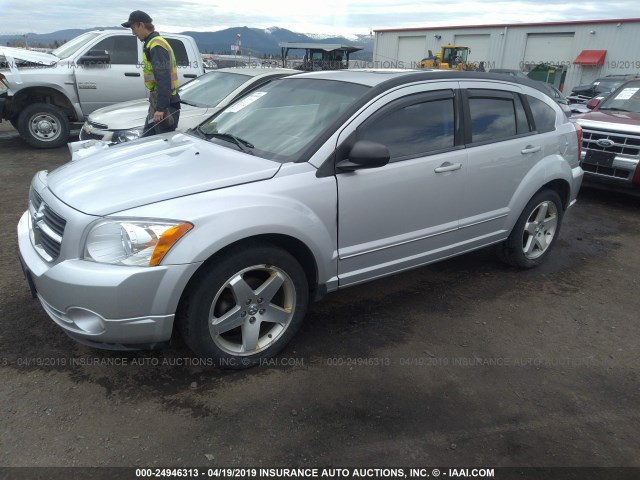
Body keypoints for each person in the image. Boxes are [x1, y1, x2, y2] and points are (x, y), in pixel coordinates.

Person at [122, 10, 180, 136]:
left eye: (133, 28)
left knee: (160, 144)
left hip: (165, 105)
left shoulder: (156, 45)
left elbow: (163, 78)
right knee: (147, 139)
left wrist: (160, 108)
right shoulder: (151, 44)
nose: (133, 33)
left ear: (141, 25)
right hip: (159, 102)